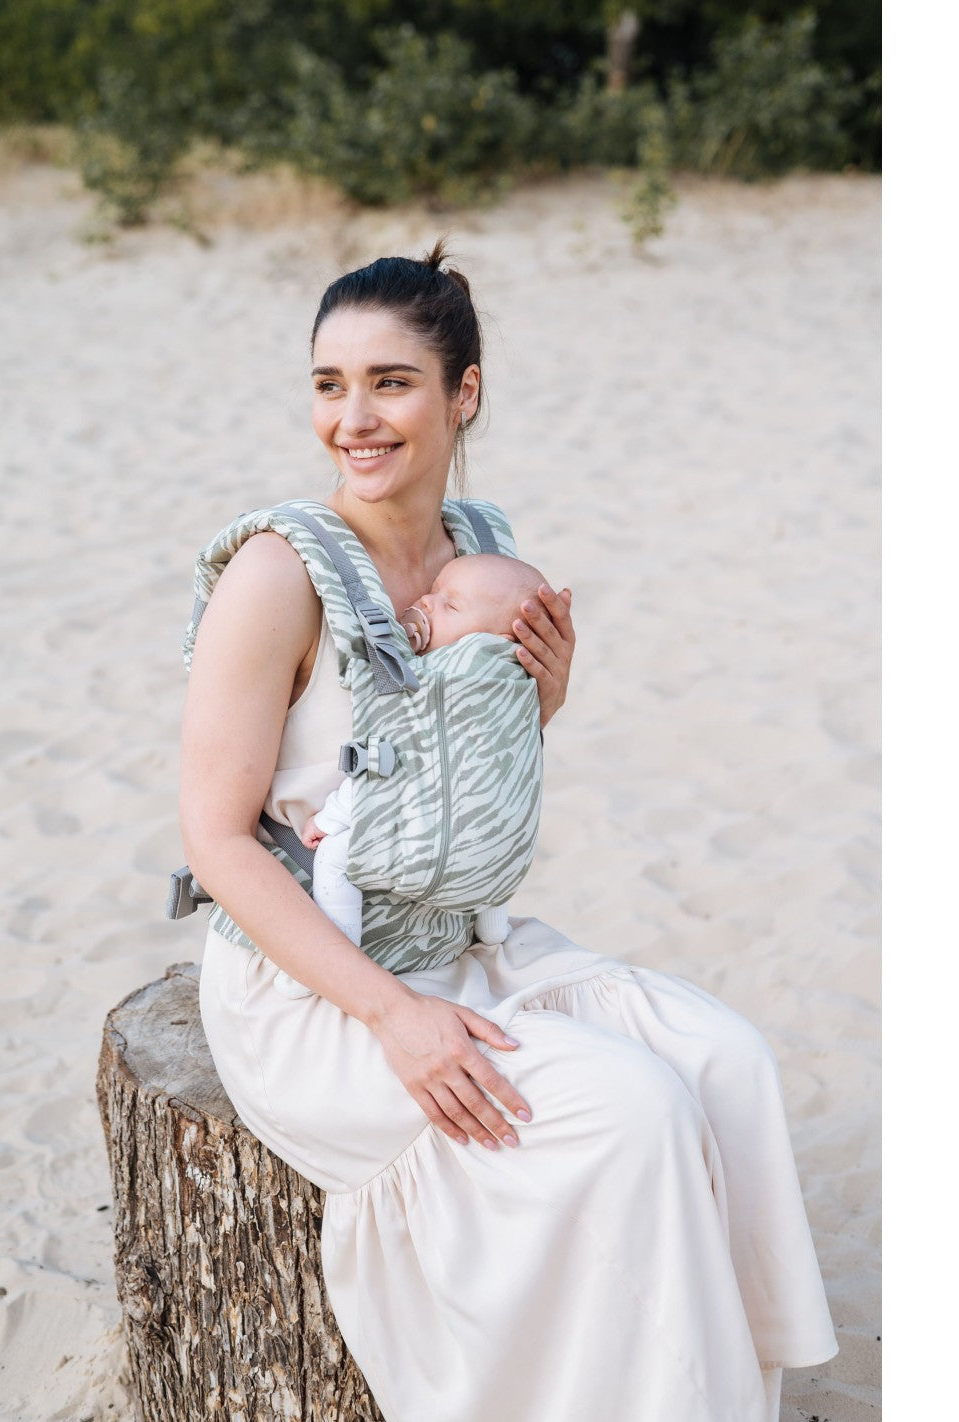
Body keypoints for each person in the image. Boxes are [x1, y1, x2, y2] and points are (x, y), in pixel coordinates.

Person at [180, 242, 837, 1422]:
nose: (353, 418)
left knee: (724, 1060)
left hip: (459, 942)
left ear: (461, 393)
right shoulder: (276, 574)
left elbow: (470, 777)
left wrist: (543, 699)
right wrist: (394, 1016)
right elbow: (217, 842)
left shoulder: (482, 547)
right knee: (630, 1112)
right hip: (318, 994)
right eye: (329, 384)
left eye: (390, 381)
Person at [279, 551, 549, 990]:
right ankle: (494, 930)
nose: (426, 603)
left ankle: (338, 956)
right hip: (495, 856)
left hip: (431, 846)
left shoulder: (434, 685)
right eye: (434, 590)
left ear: (501, 636)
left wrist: (328, 820)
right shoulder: (515, 688)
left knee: (334, 857)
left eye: (451, 605)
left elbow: (392, 770)